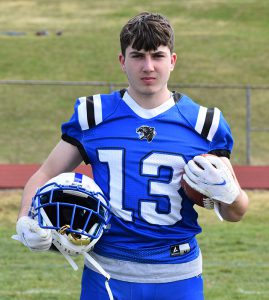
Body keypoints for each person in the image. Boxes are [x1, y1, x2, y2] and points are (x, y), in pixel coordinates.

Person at [15, 12, 249, 300]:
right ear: (122, 61)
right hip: (107, 273)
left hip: (178, 273)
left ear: (172, 61)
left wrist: (230, 195)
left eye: (157, 56)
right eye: (138, 55)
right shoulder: (95, 115)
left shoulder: (203, 123)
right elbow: (45, 174)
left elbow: (235, 212)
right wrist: (25, 219)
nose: (148, 66)